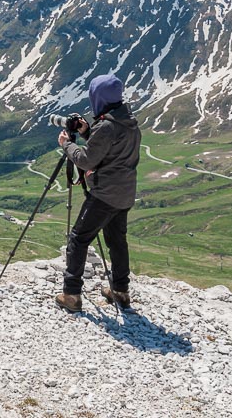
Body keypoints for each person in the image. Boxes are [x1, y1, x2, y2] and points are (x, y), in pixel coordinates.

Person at [54, 73, 141, 312]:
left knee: (79, 239)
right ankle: (120, 291)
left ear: (98, 97)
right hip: (125, 194)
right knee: (117, 241)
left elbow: (86, 159)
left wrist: (67, 144)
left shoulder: (106, 126)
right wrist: (86, 132)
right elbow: (110, 147)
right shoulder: (128, 121)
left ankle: (71, 294)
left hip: (105, 195)